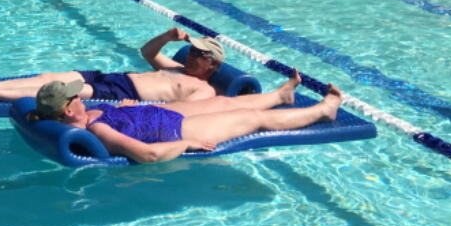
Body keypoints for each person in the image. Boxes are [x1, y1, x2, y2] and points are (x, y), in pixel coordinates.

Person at [29, 74, 342, 163]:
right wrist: (187, 143)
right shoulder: (97, 128)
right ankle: (323, 111)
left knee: (222, 100)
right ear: (69, 111)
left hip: (159, 115)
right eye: (74, 97)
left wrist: (123, 108)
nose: (81, 95)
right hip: (175, 129)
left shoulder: (88, 116)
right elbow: (148, 154)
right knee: (253, 118)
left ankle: (280, 96)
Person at [0, 29, 230, 103]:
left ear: (213, 65)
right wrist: (167, 38)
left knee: (59, 89)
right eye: (193, 50)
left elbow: (183, 112)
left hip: (121, 95)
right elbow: (147, 52)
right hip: (112, 78)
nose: (192, 56)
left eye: (199, 54)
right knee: (47, 75)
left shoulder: (204, 91)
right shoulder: (176, 68)